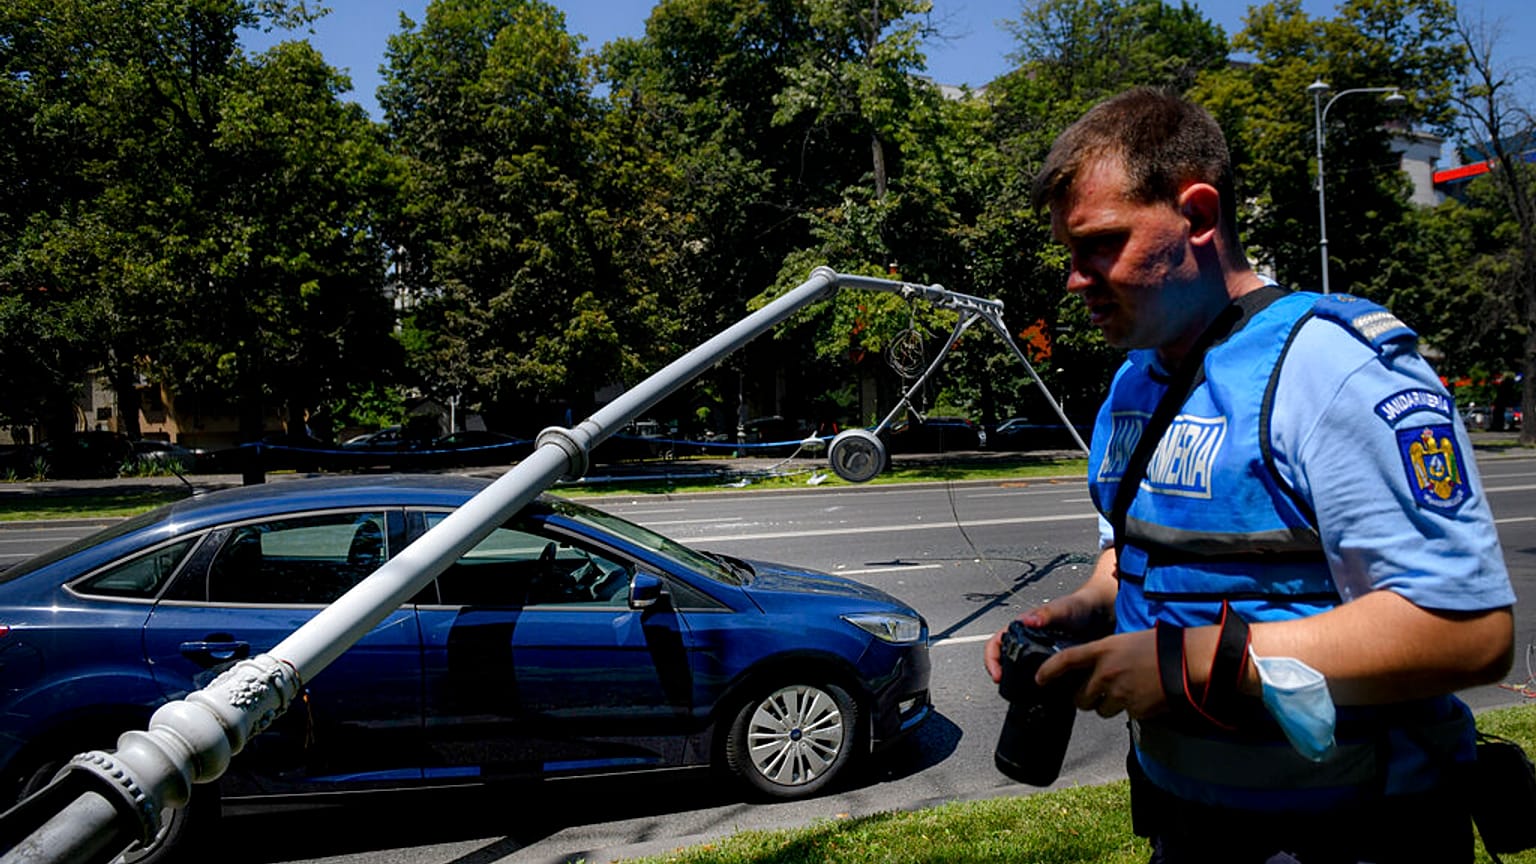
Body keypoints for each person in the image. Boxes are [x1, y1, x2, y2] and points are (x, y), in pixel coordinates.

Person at [983, 87, 1516, 863]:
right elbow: (1131, 556)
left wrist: (1191, 661)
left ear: (1198, 217)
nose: (1076, 277)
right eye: (1071, 252)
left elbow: (1467, 632)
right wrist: (1080, 612)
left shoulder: (1332, 371)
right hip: (1183, 824)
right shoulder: (1133, 383)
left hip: (1360, 834)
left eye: (1102, 243)